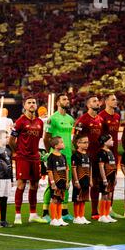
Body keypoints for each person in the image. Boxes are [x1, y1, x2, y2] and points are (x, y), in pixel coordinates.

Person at [10, 97, 47, 225]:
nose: (32, 104)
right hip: (23, 158)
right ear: (25, 106)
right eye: (29, 103)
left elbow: (39, 139)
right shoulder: (20, 121)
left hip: (35, 158)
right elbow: (11, 141)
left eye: (34, 102)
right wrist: (18, 152)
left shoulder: (40, 122)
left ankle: (33, 214)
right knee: (21, 185)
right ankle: (18, 215)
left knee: (35, 185)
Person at [42, 94, 74, 222]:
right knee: (52, 184)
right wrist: (49, 152)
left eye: (67, 99)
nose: (67, 101)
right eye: (64, 99)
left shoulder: (71, 119)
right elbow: (46, 137)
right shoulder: (52, 119)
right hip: (55, 155)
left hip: (67, 155)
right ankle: (45, 212)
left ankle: (64, 211)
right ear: (57, 102)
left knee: (66, 182)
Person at [74, 95, 103, 220]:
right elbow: (75, 138)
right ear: (88, 105)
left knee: (96, 184)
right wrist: (79, 154)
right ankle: (78, 214)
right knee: (82, 183)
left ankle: (94, 211)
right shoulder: (82, 120)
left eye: (97, 101)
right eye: (94, 101)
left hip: (98, 156)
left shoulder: (100, 119)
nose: (97, 103)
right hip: (85, 157)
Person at [98, 94, 123, 219]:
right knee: (102, 180)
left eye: (116, 99)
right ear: (106, 102)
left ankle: (110, 209)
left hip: (113, 152)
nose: (115, 101)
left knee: (112, 180)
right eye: (113, 99)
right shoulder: (101, 116)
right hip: (104, 152)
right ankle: (98, 211)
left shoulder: (118, 116)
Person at [46, 136, 69, 227]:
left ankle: (59, 218)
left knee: (60, 200)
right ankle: (53, 219)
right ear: (56, 146)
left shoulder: (63, 156)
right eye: (61, 142)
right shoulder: (51, 157)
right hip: (55, 182)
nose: (63, 144)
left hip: (63, 181)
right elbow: (50, 171)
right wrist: (52, 183)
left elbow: (66, 169)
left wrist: (67, 181)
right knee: (55, 199)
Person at [97, 134, 118, 223]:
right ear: (105, 142)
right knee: (104, 195)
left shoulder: (110, 151)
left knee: (109, 195)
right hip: (105, 177)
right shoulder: (101, 152)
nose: (113, 141)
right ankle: (102, 215)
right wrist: (104, 179)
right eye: (111, 140)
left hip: (112, 177)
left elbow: (113, 166)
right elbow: (101, 166)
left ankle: (106, 214)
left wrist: (115, 177)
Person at [71, 134, 92, 224]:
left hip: (86, 180)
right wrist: (76, 180)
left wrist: (90, 180)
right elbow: (74, 168)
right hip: (79, 180)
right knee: (77, 199)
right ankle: (76, 217)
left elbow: (90, 168)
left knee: (83, 199)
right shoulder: (75, 155)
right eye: (85, 142)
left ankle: (82, 216)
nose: (87, 144)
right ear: (78, 143)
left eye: (88, 142)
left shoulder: (88, 155)